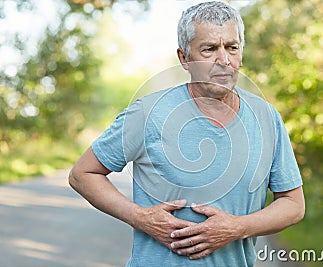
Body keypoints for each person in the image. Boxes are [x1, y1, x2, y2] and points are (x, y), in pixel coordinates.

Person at [69, 1, 305, 266]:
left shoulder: (267, 117)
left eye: (232, 47)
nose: (223, 60)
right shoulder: (148, 113)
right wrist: (140, 217)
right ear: (184, 58)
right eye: (209, 49)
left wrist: (237, 227)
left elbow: (293, 204)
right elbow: (83, 174)